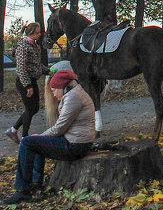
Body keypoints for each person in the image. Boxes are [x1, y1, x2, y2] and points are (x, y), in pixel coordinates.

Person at [2, 69, 95, 205]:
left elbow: (58, 129)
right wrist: (40, 137)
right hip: (76, 141)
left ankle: (22, 191)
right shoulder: (74, 93)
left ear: (62, 87)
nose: (53, 93)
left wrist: (39, 136)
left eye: (54, 90)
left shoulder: (74, 97)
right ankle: (35, 184)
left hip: (75, 145)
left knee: (28, 142)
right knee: (37, 143)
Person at [5, 22, 49, 144]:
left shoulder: (34, 45)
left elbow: (36, 65)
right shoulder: (23, 47)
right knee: (30, 108)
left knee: (34, 108)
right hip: (24, 82)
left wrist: (47, 71)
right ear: (30, 34)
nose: (40, 34)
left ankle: (13, 130)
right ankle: (24, 137)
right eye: (37, 33)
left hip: (32, 80)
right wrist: (27, 86)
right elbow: (21, 68)